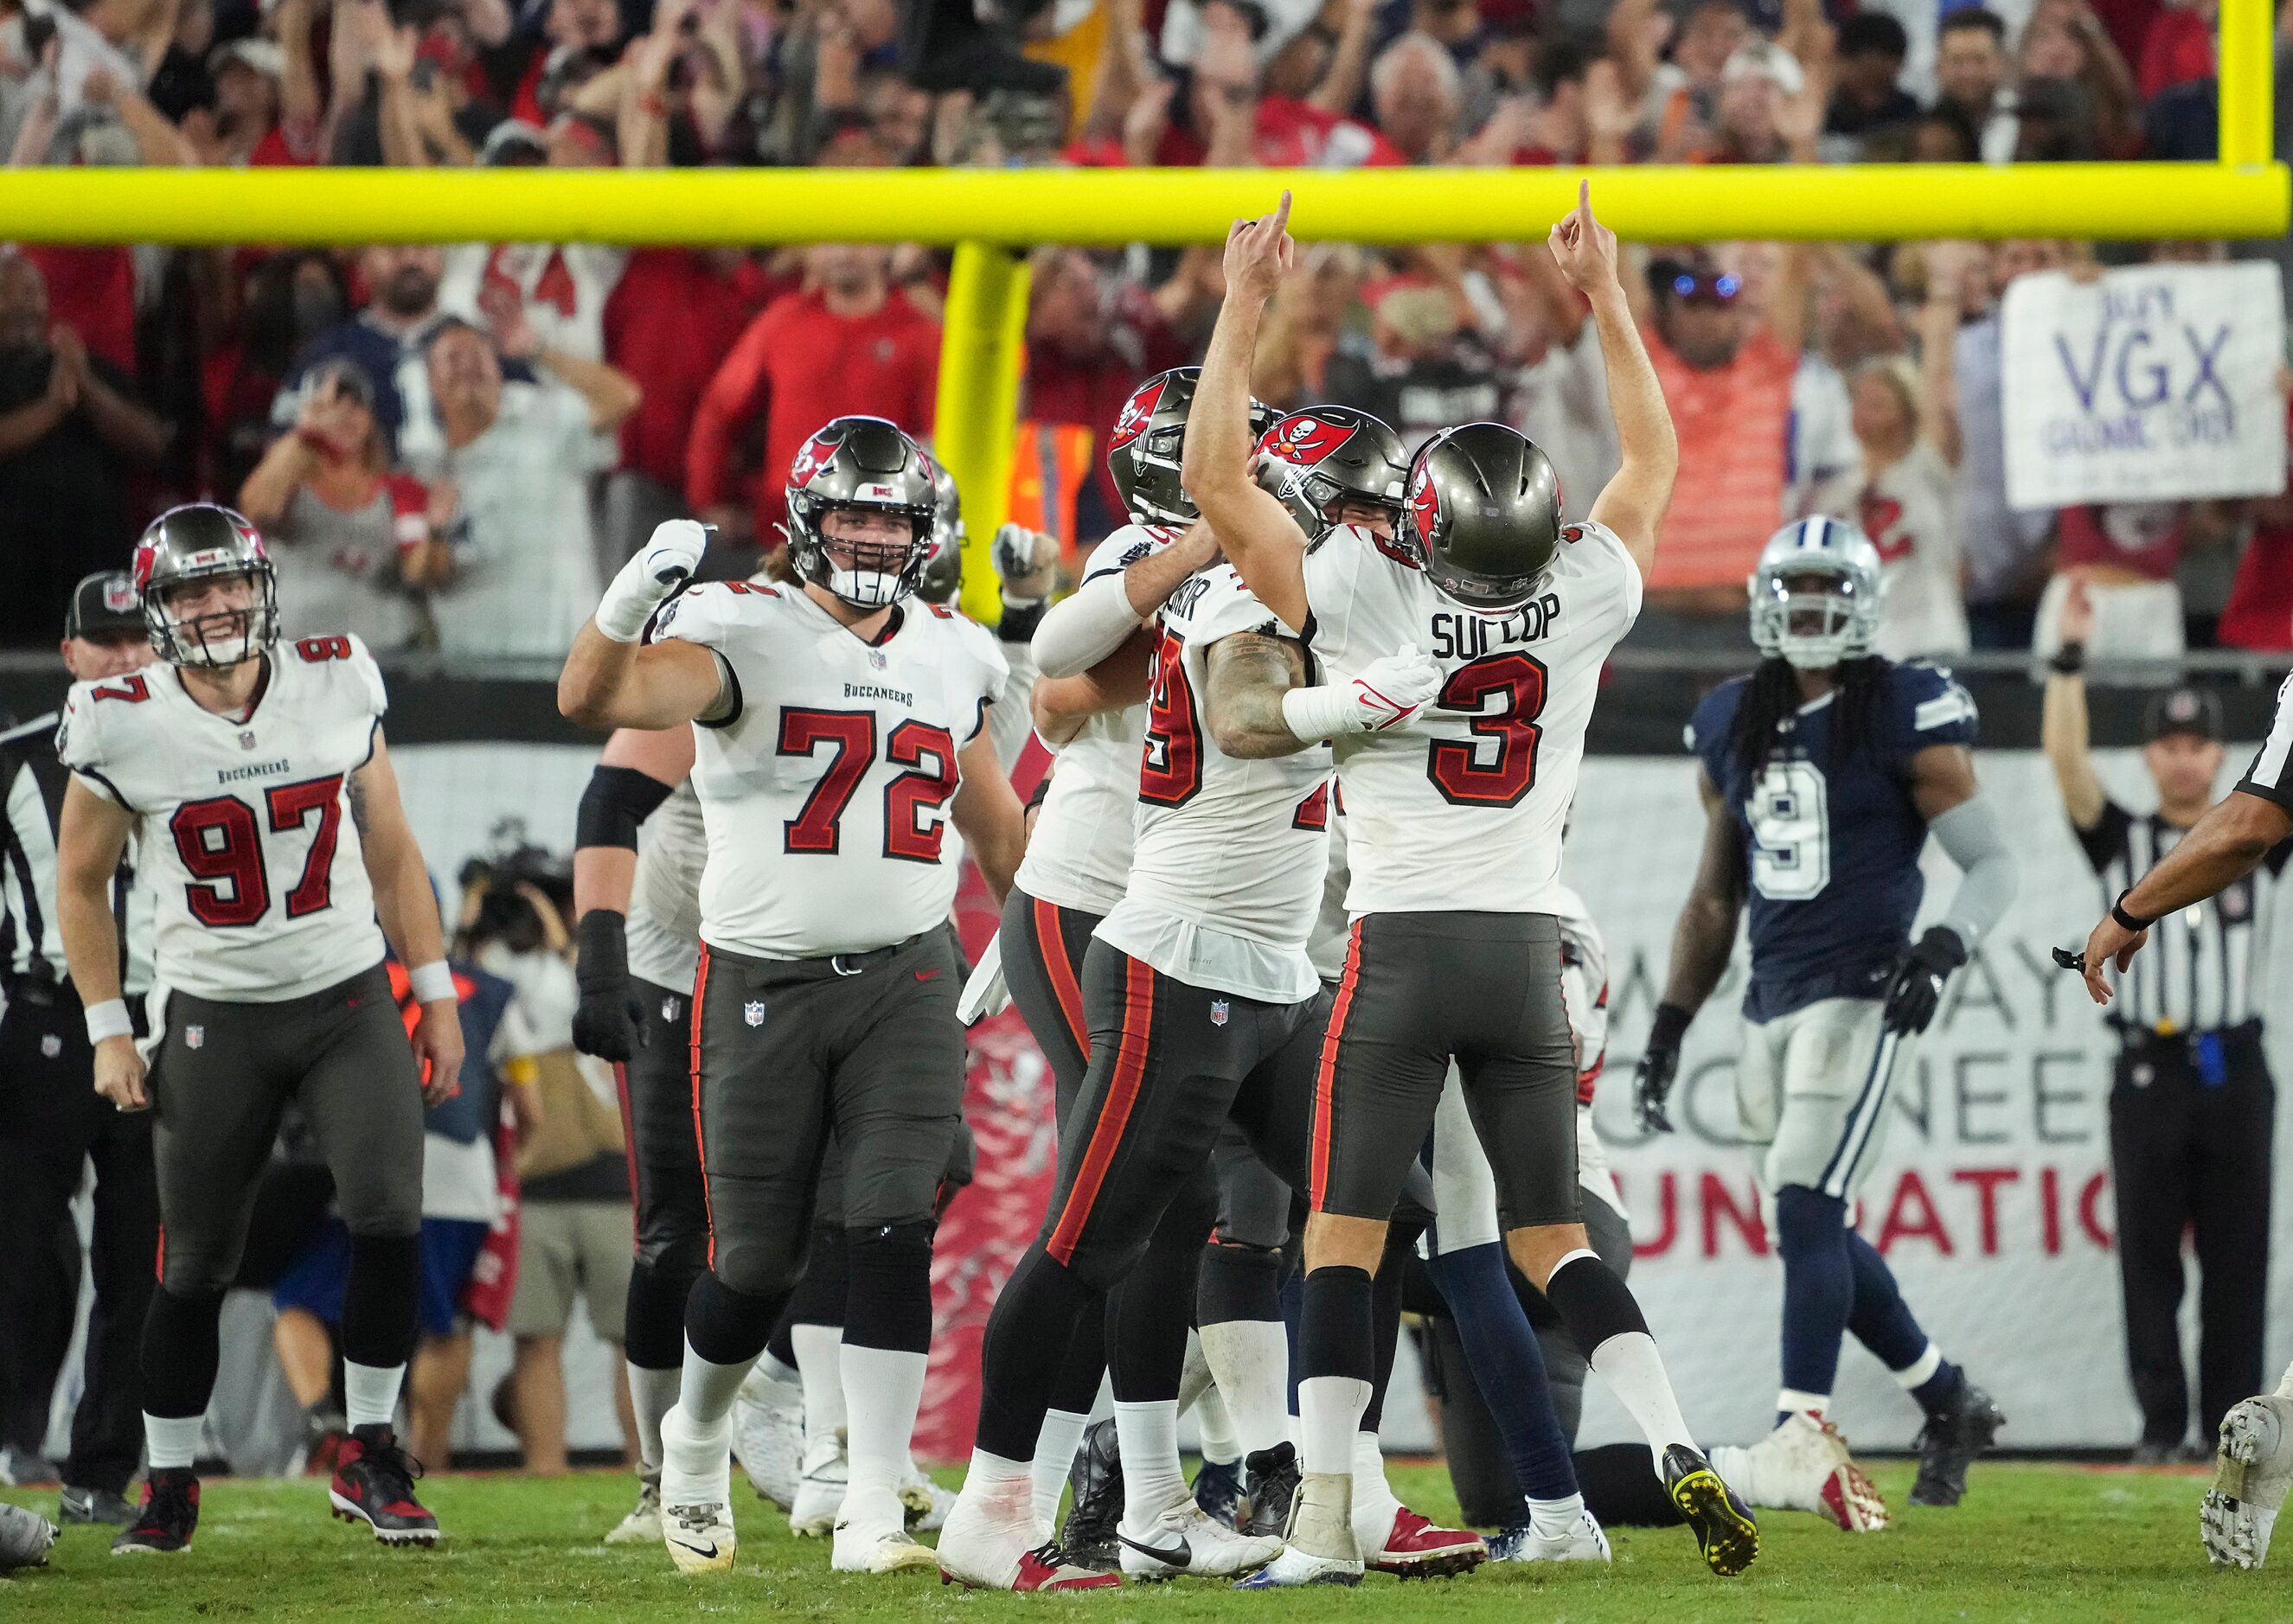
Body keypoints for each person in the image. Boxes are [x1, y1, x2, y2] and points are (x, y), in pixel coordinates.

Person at [1184, 184, 1754, 1582]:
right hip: (1526, 947)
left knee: (1339, 1228)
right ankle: (1676, 1441)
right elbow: (1652, 461)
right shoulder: (1582, 593)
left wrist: (1240, 304)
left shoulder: (1364, 588)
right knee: (1550, 1231)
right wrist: (1606, 297)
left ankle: (1321, 1513)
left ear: (1424, 524)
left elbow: (1213, 484)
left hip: (1399, 945)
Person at [556, 417, 1024, 1576]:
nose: (869, 537)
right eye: (851, 514)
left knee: (892, 1222)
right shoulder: (740, 627)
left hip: (905, 973)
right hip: (756, 978)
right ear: (806, 522)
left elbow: (993, 818)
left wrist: (1037, 923)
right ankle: (699, 1435)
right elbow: (587, 697)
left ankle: (867, 1503)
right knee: (753, 1260)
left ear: (922, 534)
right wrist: (630, 597)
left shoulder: (957, 651)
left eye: (890, 517)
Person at [53, 503, 464, 1554]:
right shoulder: (118, 715)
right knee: (190, 1261)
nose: (219, 605)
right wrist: (109, 1026)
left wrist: (438, 991)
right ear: (161, 611)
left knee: (389, 1215)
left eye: (232, 583)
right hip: (213, 1010)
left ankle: (370, 1454)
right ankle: (174, 1479)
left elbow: (394, 849)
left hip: (345, 993)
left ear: (263, 587)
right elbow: (82, 883)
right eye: (192, 591)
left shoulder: (335, 676)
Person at [1637, 515, 2016, 1517]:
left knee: (1805, 1204)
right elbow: (1712, 897)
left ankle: (1798, 1427)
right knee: (1806, 1218)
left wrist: (1943, 948)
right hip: (1769, 997)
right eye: (1791, 592)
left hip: (1862, 988)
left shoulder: (1900, 704)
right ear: (1765, 602)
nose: (1808, 612)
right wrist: (1670, 1028)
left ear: (1863, 602)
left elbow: (1992, 862)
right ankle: (1945, 1398)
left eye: (1826, 592)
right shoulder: (1727, 716)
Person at [2046, 581, 2286, 1463]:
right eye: (2168, 744)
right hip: (2147, 1072)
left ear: (2218, 753)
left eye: (2197, 745)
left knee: (2237, 1261)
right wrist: (2067, 663)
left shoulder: (2256, 831)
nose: (2184, 761)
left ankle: (2232, 1433)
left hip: (2235, 1067)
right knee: (2146, 1260)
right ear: (2148, 756)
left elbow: (2251, 826)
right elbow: (2067, 768)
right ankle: (2158, 1430)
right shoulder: (2122, 840)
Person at [0, 572, 159, 1529]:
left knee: (142, 1263)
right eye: (106, 642)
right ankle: (14, 1431)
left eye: (140, 640)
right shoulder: (14, 760)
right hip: (46, 1024)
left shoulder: (195, 758)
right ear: (69, 655)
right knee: (17, 1253)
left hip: (159, 1021)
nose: (126, 657)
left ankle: (103, 1467)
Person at [424, 310, 642, 659]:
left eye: (477, 354)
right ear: (432, 383)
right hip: (473, 664)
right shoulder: (426, 469)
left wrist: (538, 349)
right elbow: (424, 576)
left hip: (564, 654)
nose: (466, 365)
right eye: (452, 358)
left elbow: (622, 397)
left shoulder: (541, 416)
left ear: (497, 367)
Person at [0, 253, 169, 647]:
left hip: (93, 565)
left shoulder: (87, 368)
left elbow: (150, 444)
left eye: (31, 292)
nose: (21, 303)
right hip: (10, 573)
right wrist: (54, 407)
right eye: (6, 294)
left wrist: (87, 388)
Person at [236, 355, 444, 652]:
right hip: (292, 651)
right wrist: (304, 435)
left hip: (378, 653)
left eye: (355, 406)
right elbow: (258, 511)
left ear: (371, 419)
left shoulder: (399, 489)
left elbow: (417, 573)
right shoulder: (286, 482)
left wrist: (434, 530)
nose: (344, 416)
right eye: (332, 406)